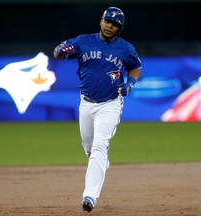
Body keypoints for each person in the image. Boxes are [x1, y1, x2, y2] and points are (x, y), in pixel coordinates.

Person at [53, 7, 142, 213]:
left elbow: (135, 67)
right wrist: (60, 51)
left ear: (119, 28)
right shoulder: (83, 41)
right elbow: (58, 52)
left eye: (115, 24)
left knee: (100, 146)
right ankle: (101, 162)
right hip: (86, 103)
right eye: (108, 22)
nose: (110, 26)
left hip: (110, 104)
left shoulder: (126, 49)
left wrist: (130, 83)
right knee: (89, 148)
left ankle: (90, 196)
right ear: (101, 22)